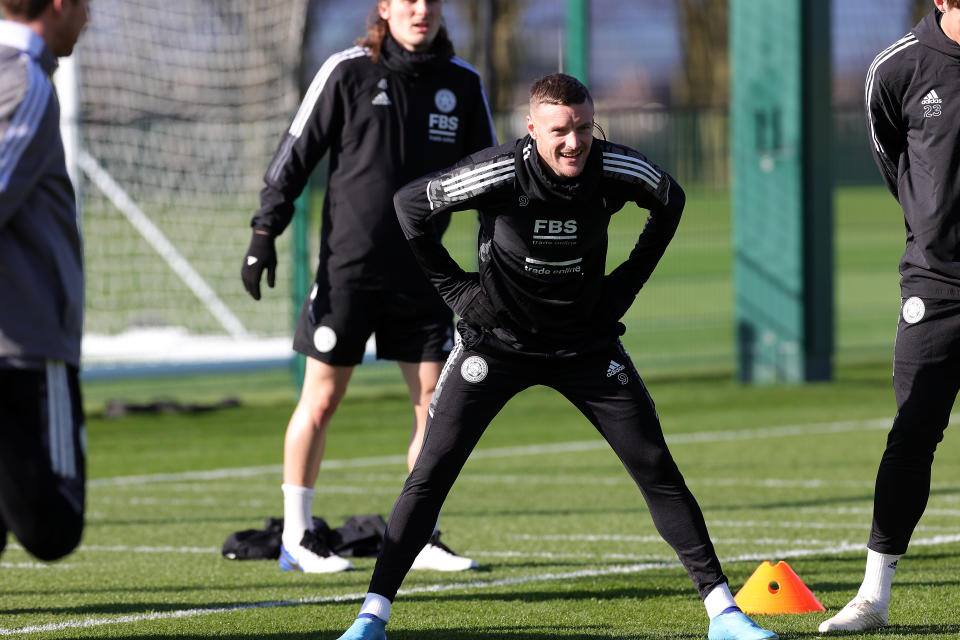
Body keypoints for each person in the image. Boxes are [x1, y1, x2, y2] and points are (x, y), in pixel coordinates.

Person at [334, 73, 778, 640]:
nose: (574, 142)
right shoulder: (496, 172)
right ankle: (371, 618)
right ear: (531, 129)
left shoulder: (617, 168)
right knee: (430, 474)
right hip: (496, 347)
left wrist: (623, 289)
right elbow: (408, 207)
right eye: (560, 131)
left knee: (656, 468)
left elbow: (670, 201)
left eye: (585, 128)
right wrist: (459, 293)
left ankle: (725, 614)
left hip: (585, 347)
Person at [241, 0, 496, 574]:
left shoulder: (462, 83)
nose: (421, 9)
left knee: (432, 410)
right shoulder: (347, 71)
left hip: (424, 274)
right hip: (348, 272)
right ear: (385, 7)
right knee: (322, 399)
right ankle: (298, 536)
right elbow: (296, 153)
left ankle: (420, 537)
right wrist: (264, 232)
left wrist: (493, 261)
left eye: (431, 0)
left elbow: (487, 178)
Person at [819, 0, 960, 632]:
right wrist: (930, 222)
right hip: (936, 283)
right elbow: (892, 158)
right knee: (912, 435)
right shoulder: (898, 68)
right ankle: (873, 597)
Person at [0, 0, 89, 562]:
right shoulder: (26, 83)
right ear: (59, 4)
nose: (89, 19)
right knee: (54, 525)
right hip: (25, 346)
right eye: (86, 6)